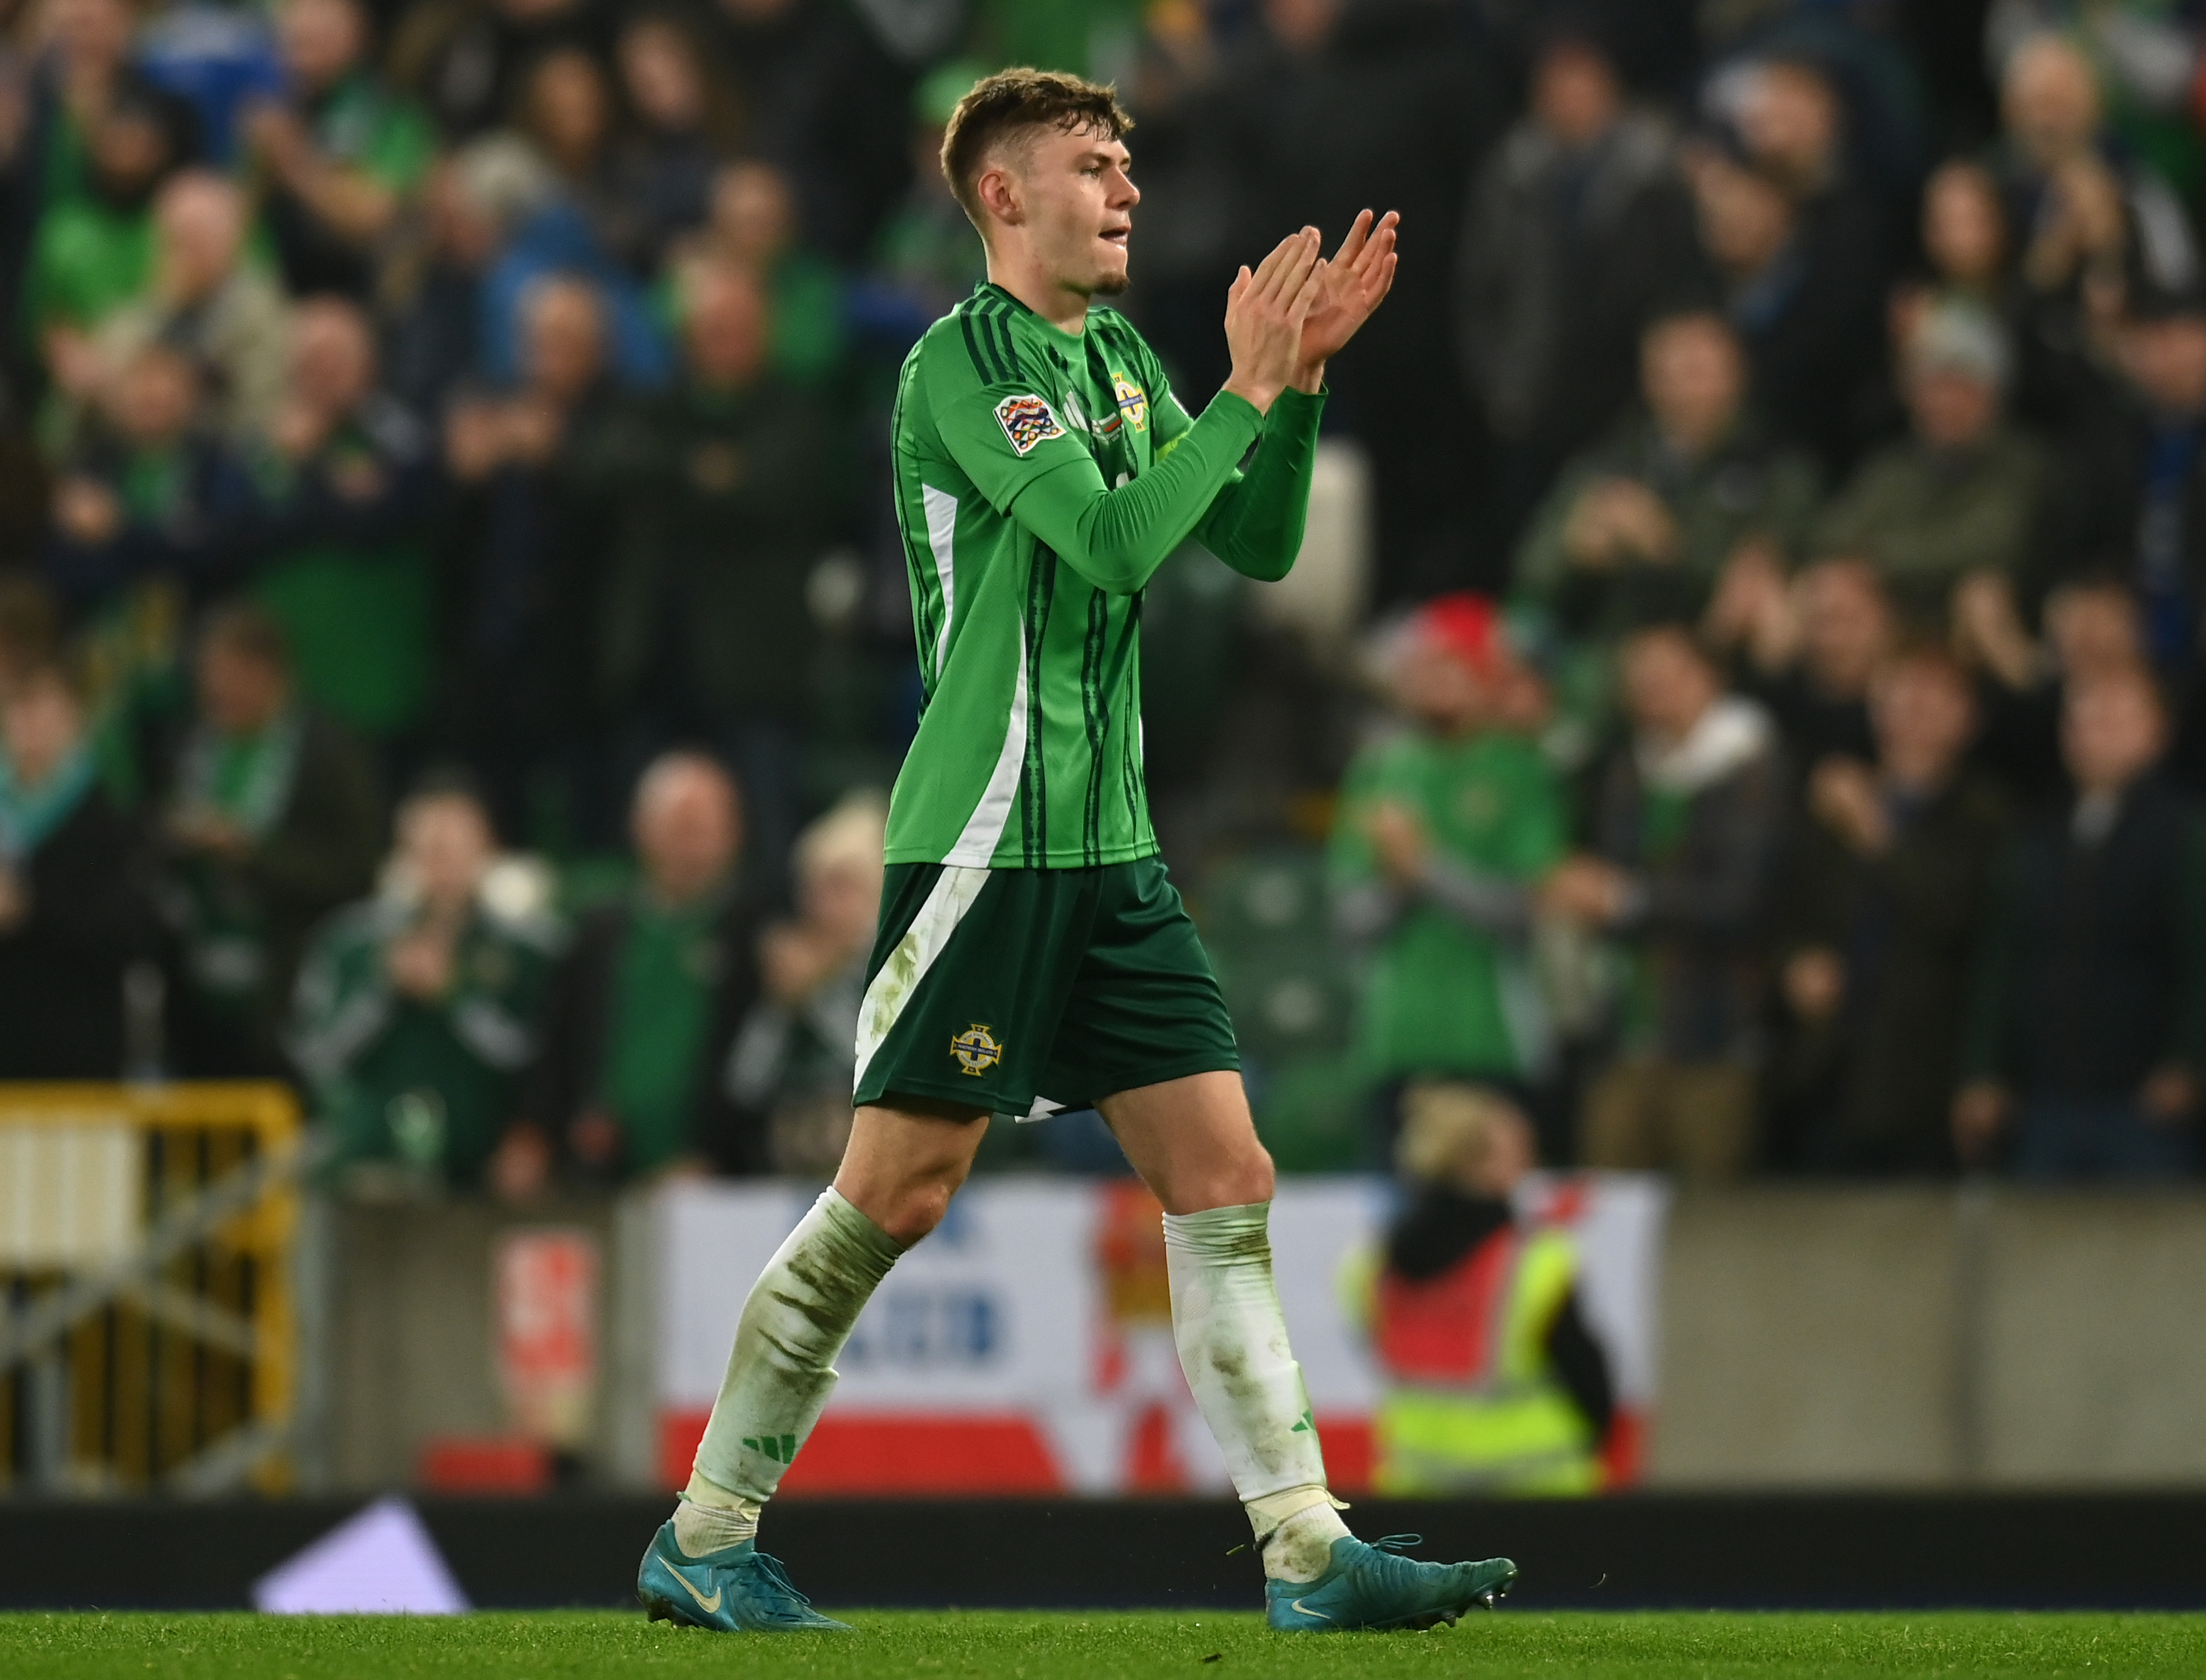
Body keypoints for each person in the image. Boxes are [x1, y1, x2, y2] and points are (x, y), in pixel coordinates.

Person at [636, 67, 1517, 1637]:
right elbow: (1114, 545)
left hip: (1109, 852)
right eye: (1089, 165)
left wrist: (1294, 386)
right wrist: (1241, 393)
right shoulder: (962, 367)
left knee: (1225, 1174)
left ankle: (1305, 1548)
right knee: (897, 1195)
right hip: (985, 840)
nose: (1123, 189)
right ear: (999, 195)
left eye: (1125, 164)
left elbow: (1248, 544)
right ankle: (706, 1530)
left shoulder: (1111, 352)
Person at [1545, 624, 1787, 1179]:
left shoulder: (1751, 766)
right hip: (1626, 1032)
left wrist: (1626, 901)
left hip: (1712, 1036)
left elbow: (1740, 903)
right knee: (1608, 1202)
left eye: (1665, 674)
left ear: (1708, 678)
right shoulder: (1629, 770)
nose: (1650, 689)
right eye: (1640, 677)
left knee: (1708, 1216)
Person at [1329, 594, 1567, 1143]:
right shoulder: (1380, 770)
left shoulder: (1519, 770)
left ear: (1485, 677)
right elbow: (1350, 919)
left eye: (1451, 666)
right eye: (1423, 667)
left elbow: (1522, 909)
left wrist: (1423, 868)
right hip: (1394, 1040)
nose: (1432, 681)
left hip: (1495, 1039)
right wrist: (1395, 882)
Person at [1956, 664, 2206, 1177]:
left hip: (2144, 1104)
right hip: (2045, 1099)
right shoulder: (2037, 835)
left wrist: (2188, 1062)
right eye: (2082, 720)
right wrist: (1985, 1070)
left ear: (2158, 733)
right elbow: (2005, 958)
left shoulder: (2184, 834)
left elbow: (2199, 957)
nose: (2095, 733)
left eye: (2115, 719)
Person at [1771, 646, 2009, 1173]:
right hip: (1829, 1067)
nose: (1913, 708)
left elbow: (1957, 913)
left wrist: (1877, 834)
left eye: (1933, 696)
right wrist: (1796, 964)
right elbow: (1787, 914)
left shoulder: (1986, 814)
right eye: (1899, 694)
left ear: (1968, 719)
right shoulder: (1829, 807)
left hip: (1927, 1077)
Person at [504, 751, 769, 1191]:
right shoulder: (599, 931)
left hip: (716, 1184)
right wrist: (533, 1132)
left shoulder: (759, 936)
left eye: (705, 827)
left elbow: (757, 1062)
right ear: (641, 827)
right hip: (594, 1169)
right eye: (680, 826)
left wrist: (716, 1155)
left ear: (734, 833)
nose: (692, 844)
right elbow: (557, 1040)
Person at [293, 774, 559, 1192]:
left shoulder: (530, 950)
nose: (439, 866)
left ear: (486, 848)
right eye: (427, 850)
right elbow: (318, 1055)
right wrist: (382, 992)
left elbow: (537, 1056)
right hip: (369, 1169)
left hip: (487, 1173)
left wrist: (455, 995)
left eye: (452, 849)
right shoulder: (350, 943)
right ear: (402, 853)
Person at [1349, 1083, 1611, 1495]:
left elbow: (1378, 1350)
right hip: (1538, 1490)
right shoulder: (1534, 1262)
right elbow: (1589, 1378)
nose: (1530, 1164)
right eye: (1519, 1152)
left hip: (1420, 1491)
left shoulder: (1370, 1266)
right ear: (1477, 1163)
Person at [161, 603, 381, 1076]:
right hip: (200, 991)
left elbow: (357, 868)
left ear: (265, 672)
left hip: (288, 990)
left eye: (224, 674)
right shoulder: (191, 742)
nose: (211, 689)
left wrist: (252, 853)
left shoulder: (328, 751)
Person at [1812, 298, 2048, 629]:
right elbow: (1835, 535)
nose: (1941, 402)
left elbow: (1989, 542)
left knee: (1981, 600)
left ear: (1992, 394)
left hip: (1972, 623)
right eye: (1930, 387)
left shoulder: (2022, 465)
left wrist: (1882, 562)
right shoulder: (1895, 467)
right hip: (1893, 619)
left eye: (1957, 386)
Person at [0, 662, 159, 1077]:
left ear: (75, 721)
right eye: (19, 708)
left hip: (77, 1046)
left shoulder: (111, 811)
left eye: (44, 709)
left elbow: (135, 929)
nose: (29, 722)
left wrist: (32, 908)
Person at [728, 789, 888, 1176]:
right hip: (793, 1168)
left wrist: (817, 993)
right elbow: (745, 1083)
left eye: (840, 888)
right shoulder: (793, 975)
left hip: (879, 1167)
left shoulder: (893, 973)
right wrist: (781, 1006)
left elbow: (870, 1067)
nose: (822, 906)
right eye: (812, 888)